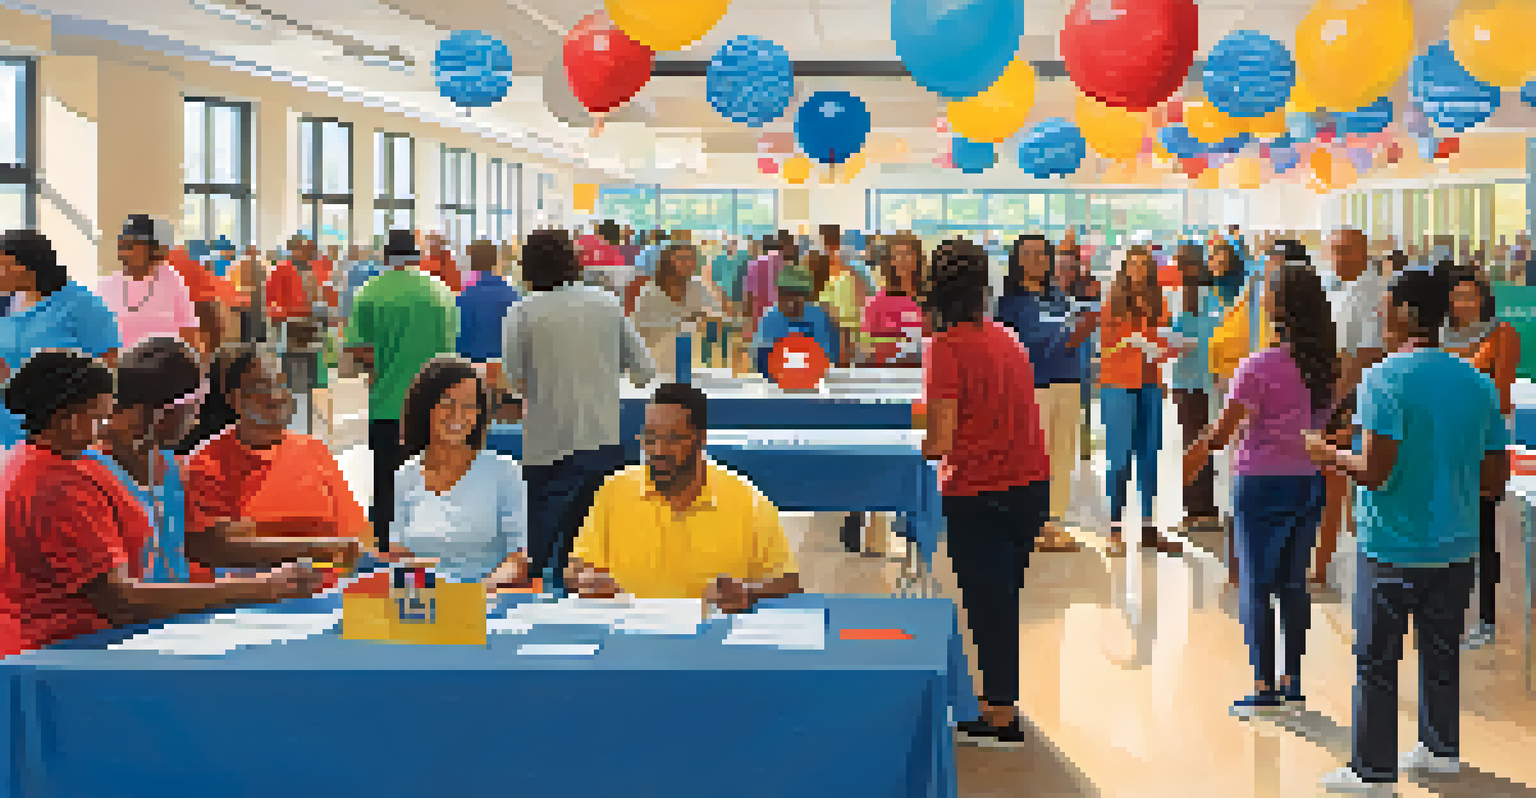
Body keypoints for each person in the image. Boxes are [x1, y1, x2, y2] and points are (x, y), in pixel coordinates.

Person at [1307, 270, 1509, 794]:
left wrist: (1328, 453)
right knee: (1440, 651)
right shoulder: (1476, 380)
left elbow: (1376, 471)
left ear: (1407, 314)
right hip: (1457, 545)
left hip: (1393, 546)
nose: (1380, 312)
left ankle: (1372, 771)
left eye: (1387, 304)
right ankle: (1440, 748)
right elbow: (1493, 480)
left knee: (1377, 661)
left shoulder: (1383, 378)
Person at [0, 350, 323, 657]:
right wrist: (264, 588)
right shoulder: (56, 485)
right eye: (99, 417)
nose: (106, 426)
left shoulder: (46, 463)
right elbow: (120, 600)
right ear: (68, 419)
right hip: (70, 649)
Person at [1184, 255, 1340, 717]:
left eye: (1270, 291)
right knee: (1293, 583)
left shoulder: (1258, 366)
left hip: (1259, 484)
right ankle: (1292, 681)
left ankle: (1263, 685)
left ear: (1281, 308)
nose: (1264, 296)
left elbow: (1222, 432)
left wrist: (1197, 453)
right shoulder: (1326, 367)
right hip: (1306, 481)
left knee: (1255, 584)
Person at [920, 238, 1050, 749]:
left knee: (988, 606)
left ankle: (1000, 716)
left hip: (979, 489)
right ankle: (1001, 699)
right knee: (1005, 599)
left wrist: (921, 440)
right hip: (1029, 485)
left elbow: (941, 440)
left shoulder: (945, 347)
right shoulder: (1006, 339)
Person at [503, 228, 655, 591]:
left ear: (528, 266)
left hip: (547, 449)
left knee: (536, 559)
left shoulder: (523, 312)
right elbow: (644, 371)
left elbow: (511, 383)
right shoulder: (606, 303)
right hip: (603, 443)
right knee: (591, 558)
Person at [565, 383, 799, 607]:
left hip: (712, 641)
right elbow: (575, 569)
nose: (658, 451)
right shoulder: (614, 491)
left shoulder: (749, 501)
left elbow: (789, 583)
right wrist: (584, 580)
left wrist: (748, 592)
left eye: (672, 439)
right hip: (631, 640)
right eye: (650, 438)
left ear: (701, 439)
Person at [181, 344, 371, 577]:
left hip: (327, 595)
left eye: (282, 384)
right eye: (262, 386)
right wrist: (311, 550)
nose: (277, 395)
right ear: (234, 398)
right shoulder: (205, 464)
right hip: (246, 601)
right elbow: (209, 549)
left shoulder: (314, 450)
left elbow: (355, 537)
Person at [345, 229, 460, 552]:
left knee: (387, 485)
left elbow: (359, 349)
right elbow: (450, 351)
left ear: (385, 257)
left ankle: (386, 553)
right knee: (437, 485)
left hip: (388, 407)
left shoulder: (370, 293)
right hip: (437, 408)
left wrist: (381, 363)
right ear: (417, 256)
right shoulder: (442, 292)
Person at [391, 357, 530, 587]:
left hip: (489, 606)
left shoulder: (505, 472)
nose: (458, 413)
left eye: (468, 405)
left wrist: (477, 594)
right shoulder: (405, 475)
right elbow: (401, 558)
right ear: (425, 408)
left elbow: (518, 561)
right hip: (424, 606)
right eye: (447, 402)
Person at [996, 234, 1095, 553]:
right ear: (1017, 259)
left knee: (1063, 455)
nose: (1037, 259)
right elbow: (1021, 344)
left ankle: (1054, 522)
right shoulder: (1010, 302)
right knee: (1033, 456)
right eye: (1029, 254)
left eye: (1042, 253)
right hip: (1031, 386)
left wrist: (1085, 327)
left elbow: (1072, 333)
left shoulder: (1060, 297)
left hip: (1067, 381)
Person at [1443, 272, 1520, 649]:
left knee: (1483, 533)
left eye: (1469, 297)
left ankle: (1486, 619)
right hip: (1440, 445)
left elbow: (1501, 397)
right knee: (1445, 532)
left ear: (1483, 299)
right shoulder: (1438, 337)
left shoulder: (1502, 335)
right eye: (1456, 297)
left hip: (1481, 444)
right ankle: (1446, 616)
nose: (1463, 304)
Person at [0, 230, 122, 450]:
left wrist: (99, 425)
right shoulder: (5, 304)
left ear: (27, 267)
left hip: (60, 425)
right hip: (6, 423)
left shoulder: (82, 305)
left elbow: (109, 368)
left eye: (2, 266)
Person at [1100, 245, 1181, 556]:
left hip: (1150, 382)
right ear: (1125, 268)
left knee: (1150, 455)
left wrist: (1172, 348)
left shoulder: (1159, 299)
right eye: (1133, 264)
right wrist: (1130, 343)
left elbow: (1165, 339)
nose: (1138, 269)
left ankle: (1149, 527)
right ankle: (1115, 528)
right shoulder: (1113, 301)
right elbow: (1106, 345)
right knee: (1119, 458)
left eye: (1143, 264)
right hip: (1118, 382)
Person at [1318, 228, 1388, 589]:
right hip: (1344, 394)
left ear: (1363, 251)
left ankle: (1348, 563)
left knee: (1350, 482)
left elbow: (1365, 355)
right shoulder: (1343, 289)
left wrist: (1332, 402)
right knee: (1338, 485)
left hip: (1358, 399)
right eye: (1334, 252)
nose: (1339, 259)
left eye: (1346, 251)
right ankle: (1328, 563)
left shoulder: (1372, 293)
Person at [1169, 243, 1222, 536]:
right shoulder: (1180, 296)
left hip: (1203, 381)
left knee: (1198, 443)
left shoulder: (1212, 297)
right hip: (1185, 379)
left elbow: (1210, 335)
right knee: (1193, 442)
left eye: (1186, 262)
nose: (1182, 268)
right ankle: (1198, 508)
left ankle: (1201, 510)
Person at [100, 215, 200, 357]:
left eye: (132, 246)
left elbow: (188, 329)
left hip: (165, 366)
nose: (124, 252)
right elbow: (100, 338)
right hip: (124, 369)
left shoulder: (171, 279)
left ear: (151, 248)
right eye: (122, 246)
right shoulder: (106, 285)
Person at [630, 243, 722, 380]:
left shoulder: (697, 287)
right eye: (683, 259)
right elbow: (638, 331)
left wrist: (706, 321)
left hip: (689, 364)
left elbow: (713, 318)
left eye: (692, 259)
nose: (689, 264)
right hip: (655, 366)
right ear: (668, 262)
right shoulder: (650, 293)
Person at [456, 239, 521, 404]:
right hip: (507, 379)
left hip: (472, 378)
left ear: (472, 263)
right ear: (496, 260)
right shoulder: (514, 297)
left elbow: (458, 344)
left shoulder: (462, 299)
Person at [753, 262, 841, 375]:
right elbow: (762, 361)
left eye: (797, 294)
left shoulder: (818, 316)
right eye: (786, 294)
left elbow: (826, 356)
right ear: (778, 296)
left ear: (806, 297)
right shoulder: (769, 319)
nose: (791, 300)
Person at [861, 232, 927, 367]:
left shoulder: (930, 297)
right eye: (897, 256)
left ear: (917, 259)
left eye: (908, 254)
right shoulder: (877, 304)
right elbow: (869, 348)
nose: (902, 261)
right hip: (891, 373)